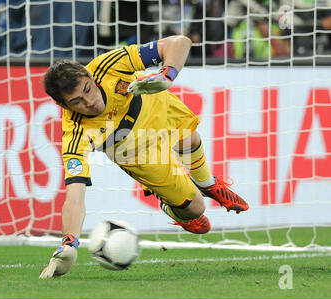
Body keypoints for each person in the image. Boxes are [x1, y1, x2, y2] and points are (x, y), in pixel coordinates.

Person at [39, 35, 249, 279]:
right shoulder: (75, 134)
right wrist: (69, 243)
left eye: (88, 89)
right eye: (77, 102)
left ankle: (208, 184)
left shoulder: (108, 65)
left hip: (148, 98)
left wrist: (166, 75)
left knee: (189, 137)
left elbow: (180, 42)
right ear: (63, 106)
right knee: (195, 209)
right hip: (133, 149)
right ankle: (170, 207)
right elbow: (74, 198)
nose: (90, 102)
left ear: (90, 77)